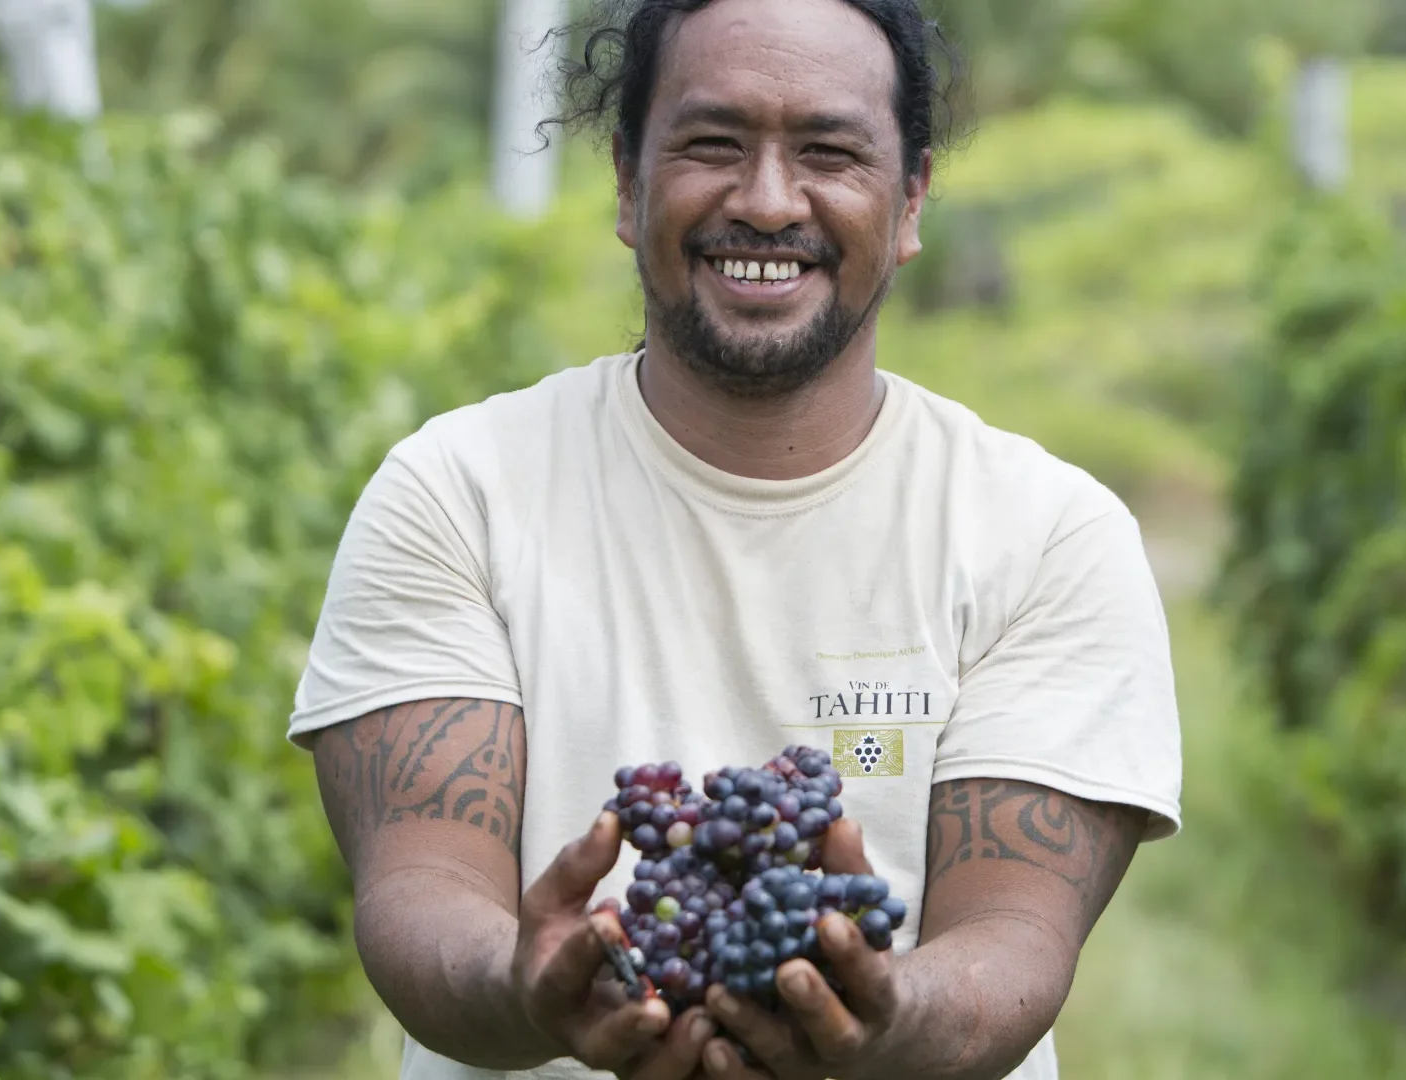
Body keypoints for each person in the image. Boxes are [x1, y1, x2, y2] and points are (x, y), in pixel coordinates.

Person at [286, 0, 1183, 1077]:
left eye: (830, 152)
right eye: (713, 144)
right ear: (627, 182)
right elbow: (417, 894)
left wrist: (887, 1021)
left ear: (909, 202)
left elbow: (1016, 944)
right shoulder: (459, 493)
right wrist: (529, 988)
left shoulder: (1046, 534)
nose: (765, 201)